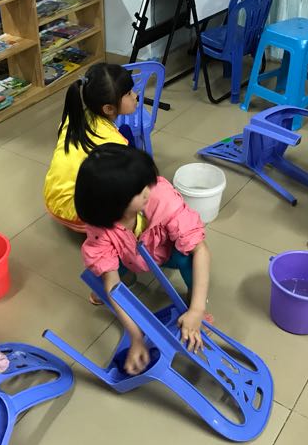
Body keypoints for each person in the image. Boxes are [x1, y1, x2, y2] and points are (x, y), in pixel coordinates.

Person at [75, 144, 212, 376]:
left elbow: (201, 250)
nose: (148, 190)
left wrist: (197, 309)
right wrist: (135, 336)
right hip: (128, 255)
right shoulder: (101, 228)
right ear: (115, 205)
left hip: (164, 252)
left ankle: (194, 301)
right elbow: (112, 284)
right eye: (140, 190)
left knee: (188, 257)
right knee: (106, 273)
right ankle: (126, 277)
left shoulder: (162, 198)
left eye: (147, 183)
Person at [44, 63, 137, 232]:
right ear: (108, 108)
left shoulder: (73, 118)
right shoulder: (113, 142)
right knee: (136, 207)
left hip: (53, 198)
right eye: (129, 94)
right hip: (76, 212)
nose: (135, 96)